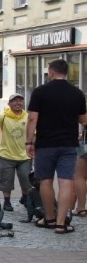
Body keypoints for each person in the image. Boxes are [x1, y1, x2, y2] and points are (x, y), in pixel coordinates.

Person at [25, 59, 87, 233]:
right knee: (66, 182)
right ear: (66, 72)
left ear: (51, 72)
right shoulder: (77, 93)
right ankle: (61, 224)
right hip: (69, 144)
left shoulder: (40, 92)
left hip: (45, 144)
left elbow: (32, 119)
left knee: (45, 181)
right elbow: (83, 120)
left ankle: (49, 219)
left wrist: (29, 142)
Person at [0, 93, 31, 212]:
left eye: (20, 100)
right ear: (9, 104)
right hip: (7, 155)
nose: (17, 103)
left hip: (25, 156)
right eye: (14, 101)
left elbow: (33, 134)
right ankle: (7, 202)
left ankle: (25, 197)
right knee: (6, 180)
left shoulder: (28, 117)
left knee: (26, 179)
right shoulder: (4, 116)